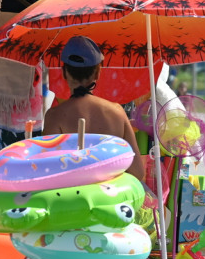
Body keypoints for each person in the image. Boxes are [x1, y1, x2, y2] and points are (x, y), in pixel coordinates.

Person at [42, 36, 145, 181]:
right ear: (98, 72)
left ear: (64, 72)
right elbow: (138, 173)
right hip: (110, 201)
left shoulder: (54, 116)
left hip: (73, 200)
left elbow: (47, 172)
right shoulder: (117, 112)